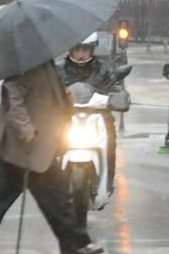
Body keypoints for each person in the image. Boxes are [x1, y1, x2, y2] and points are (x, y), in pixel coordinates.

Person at [0, 58, 104, 254]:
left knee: (44, 198)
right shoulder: (24, 65)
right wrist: (25, 129)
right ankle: (73, 245)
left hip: (41, 146)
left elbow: (50, 97)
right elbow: (13, 97)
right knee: (54, 199)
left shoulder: (46, 64)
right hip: (24, 147)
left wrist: (66, 97)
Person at [56, 33, 130, 200]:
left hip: (98, 116)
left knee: (110, 140)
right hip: (67, 117)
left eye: (85, 49)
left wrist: (119, 97)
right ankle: (51, 182)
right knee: (51, 141)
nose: (81, 54)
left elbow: (116, 85)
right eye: (77, 49)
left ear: (92, 49)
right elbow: (48, 89)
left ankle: (107, 179)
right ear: (70, 50)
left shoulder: (103, 68)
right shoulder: (58, 69)